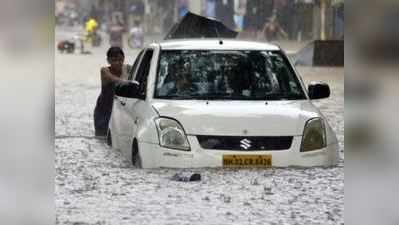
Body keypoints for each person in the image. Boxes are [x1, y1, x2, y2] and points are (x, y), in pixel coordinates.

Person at [94, 47, 132, 136]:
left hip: (120, 112)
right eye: (114, 60)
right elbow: (113, 79)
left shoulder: (128, 69)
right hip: (104, 111)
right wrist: (127, 82)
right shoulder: (104, 70)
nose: (118, 63)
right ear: (108, 60)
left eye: (120, 60)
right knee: (102, 138)